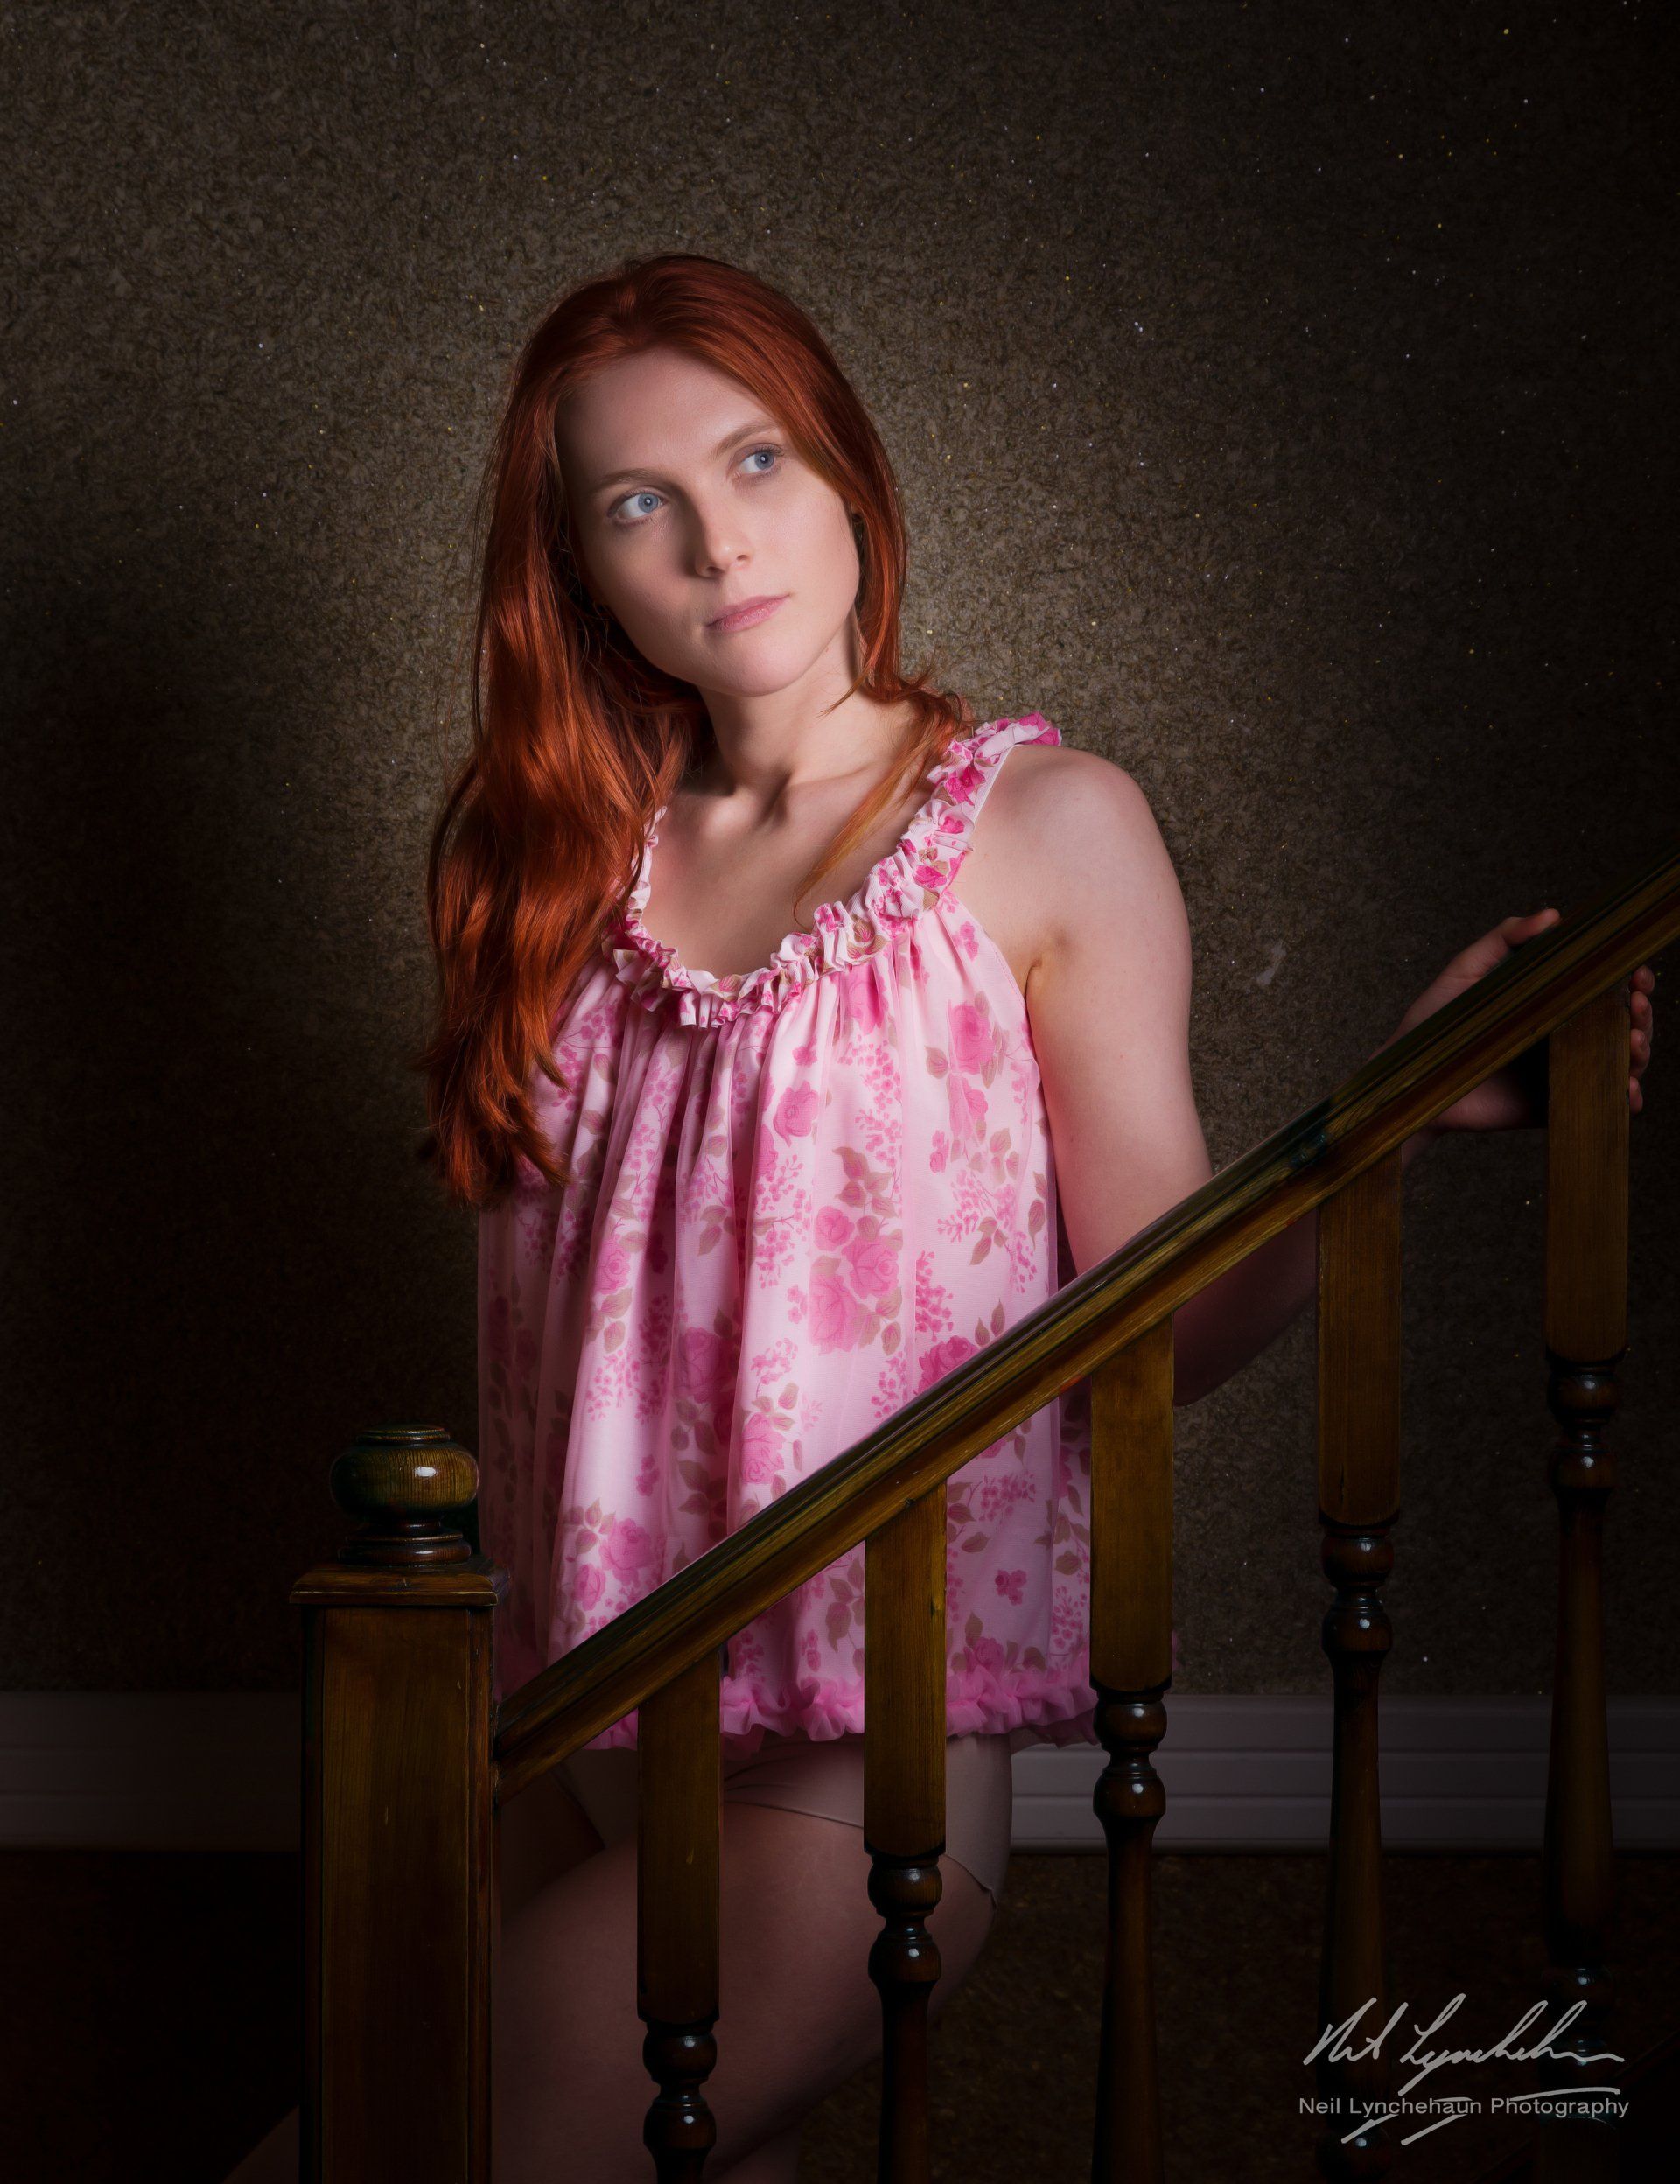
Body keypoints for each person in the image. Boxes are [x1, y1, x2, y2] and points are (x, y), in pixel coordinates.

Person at [223, 253, 1656, 2184]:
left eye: (757, 460)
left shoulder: (1040, 830)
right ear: (577, 568)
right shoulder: (545, 863)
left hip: (841, 1768)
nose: (718, 540)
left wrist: (1385, 1127)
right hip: (552, 1732)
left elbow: (1159, 1326)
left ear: (845, 473)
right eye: (639, 503)